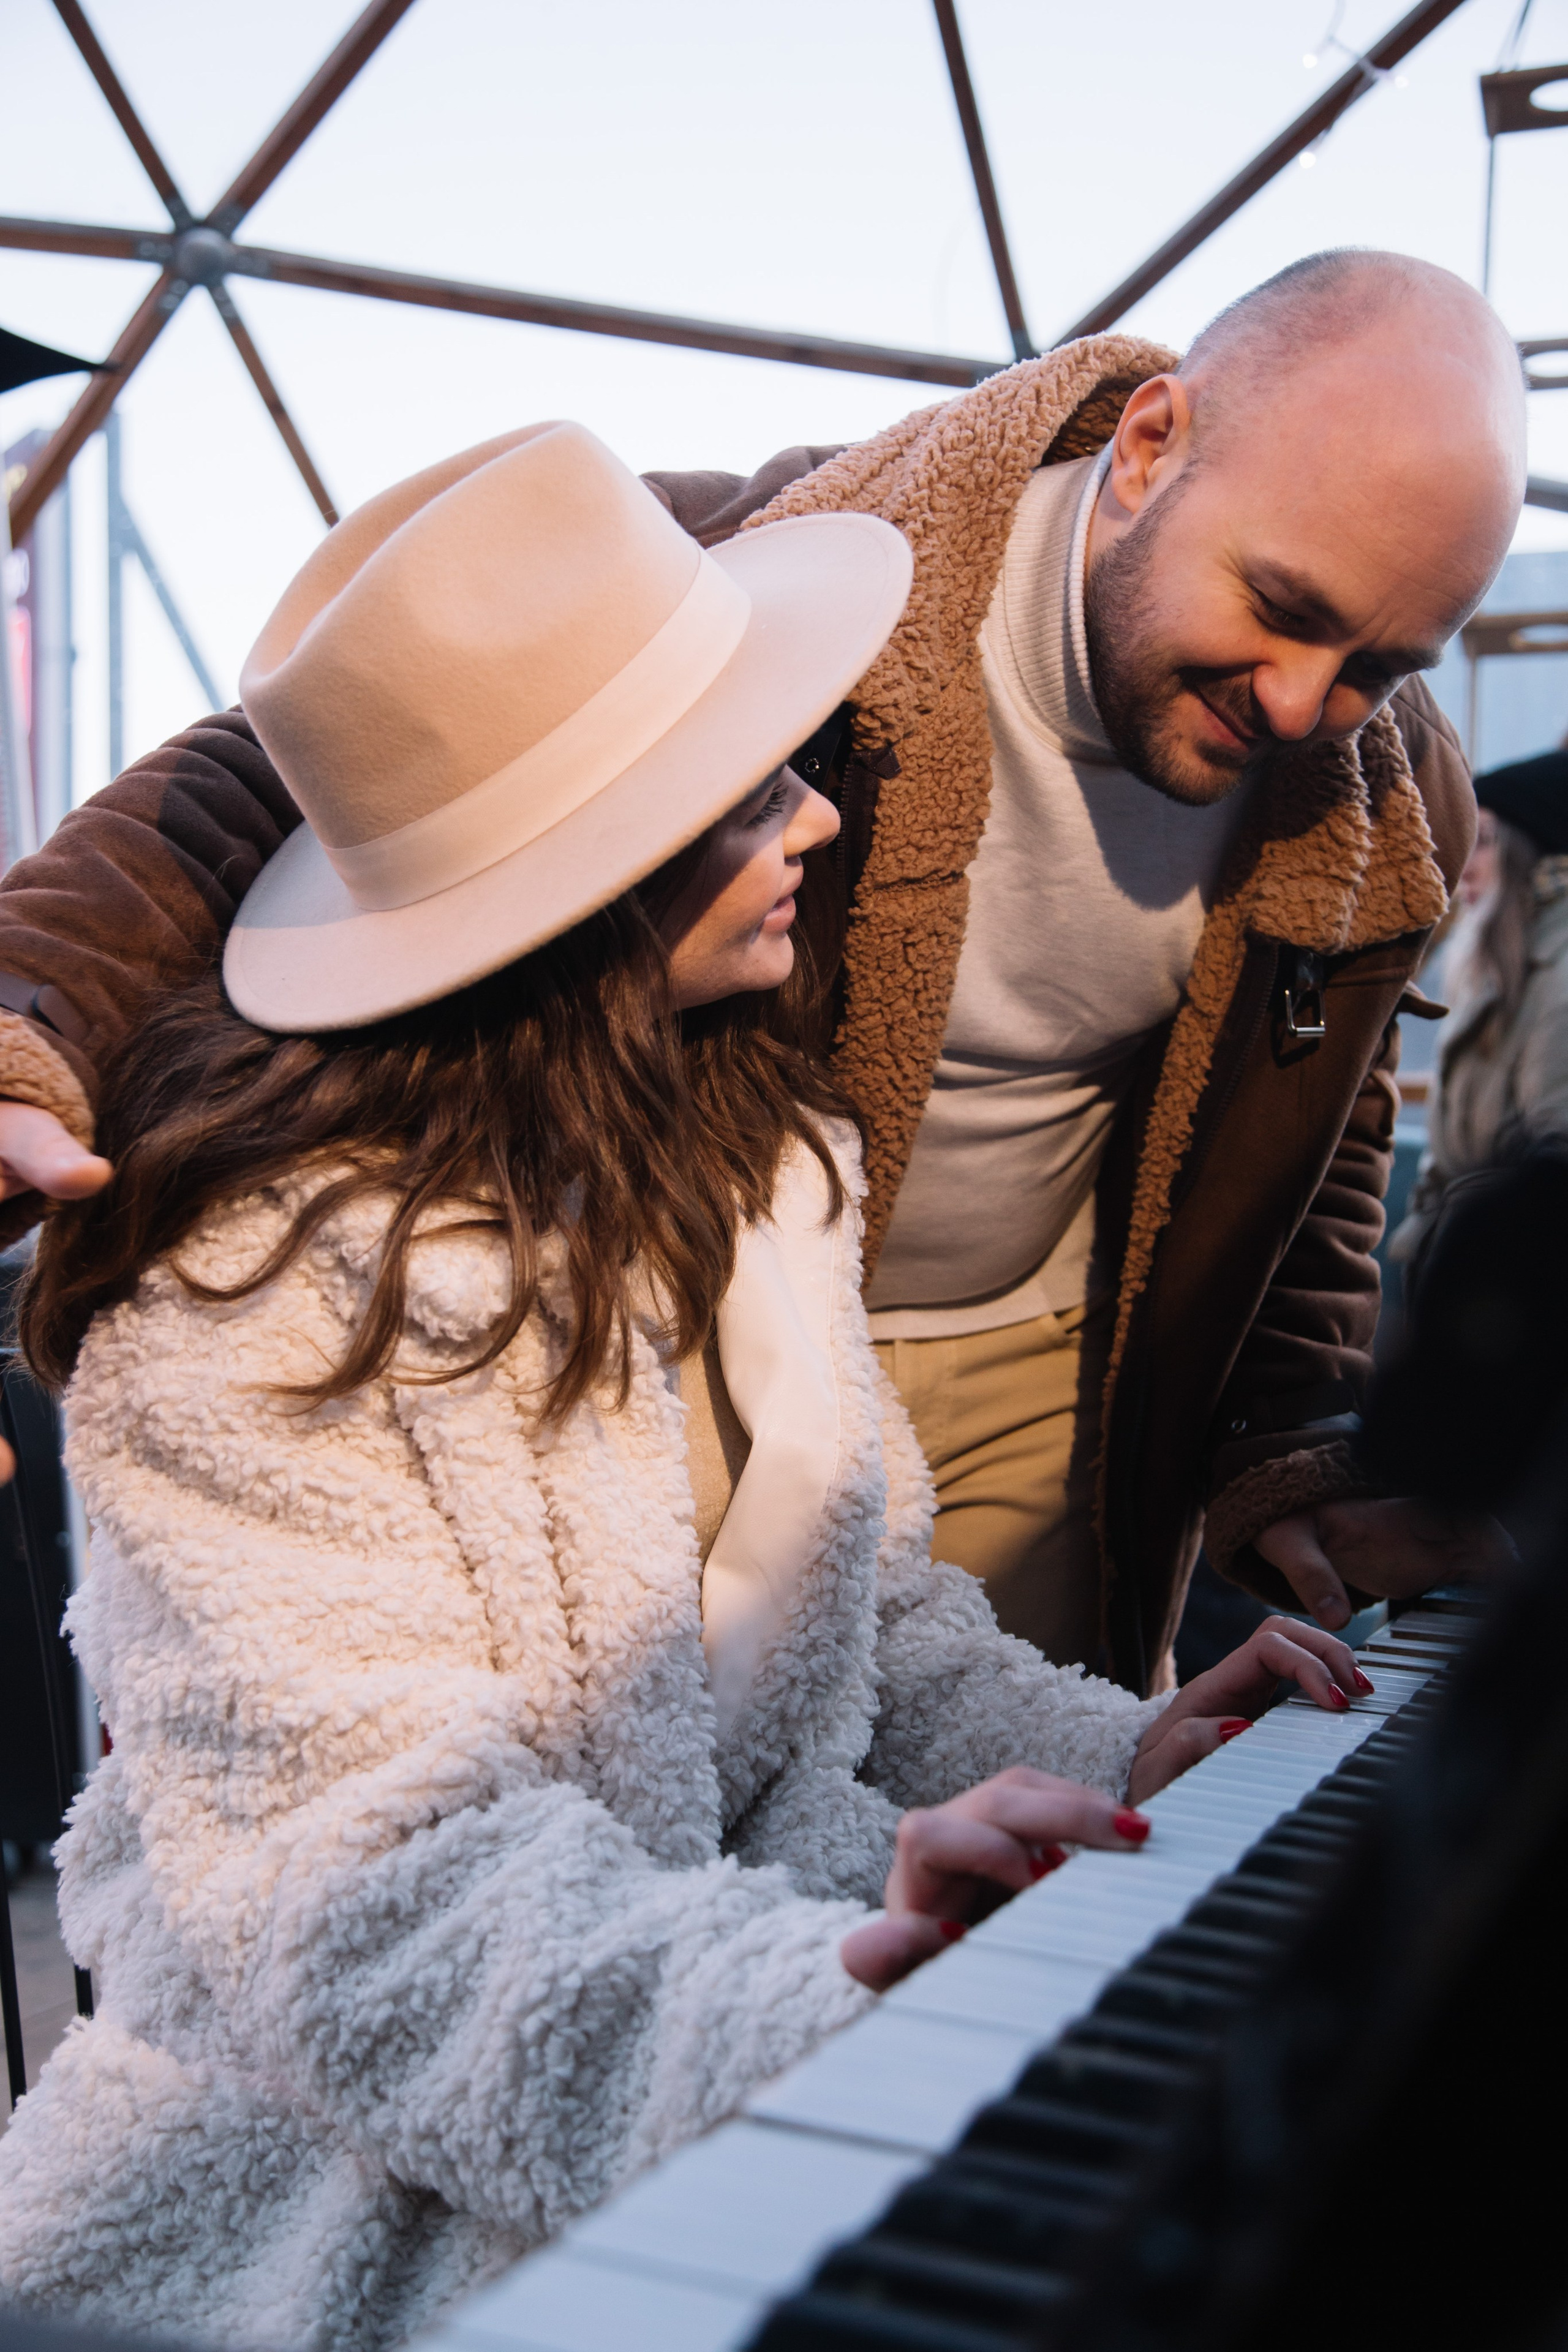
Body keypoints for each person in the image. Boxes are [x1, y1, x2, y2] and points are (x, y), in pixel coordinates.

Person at [0, 424, 1364, 2352]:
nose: (819, 819)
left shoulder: (769, 1159)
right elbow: (371, 1903)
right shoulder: (254, 1285)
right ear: (583, 876)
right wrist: (822, 2008)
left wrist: (1127, 1758)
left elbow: (870, 1632)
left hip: (716, 2029)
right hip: (317, 2196)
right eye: (751, 785)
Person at [0, 248, 1526, 1686]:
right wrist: (26, 1012)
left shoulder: (1376, 799)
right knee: (665, 1816)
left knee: (1013, 1827)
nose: (1302, 702)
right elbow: (270, 773)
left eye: (1379, 665)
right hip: (696, 1316)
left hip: (1041, 1385)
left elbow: (1307, 1147)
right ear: (1145, 445)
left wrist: (1288, 1435)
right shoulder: (786, 565)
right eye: (1279, 610)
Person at [1392, 745, 1568, 1278]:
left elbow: (1554, 1152)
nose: (1464, 865)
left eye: (1485, 841)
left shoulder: (1558, 969)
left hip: (1515, 1288)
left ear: (1532, 853)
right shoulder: (1500, 967)